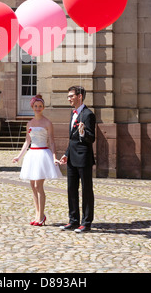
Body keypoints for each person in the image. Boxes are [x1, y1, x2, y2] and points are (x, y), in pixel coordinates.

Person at [12, 94, 62, 226]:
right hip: (32, 155)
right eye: (36, 106)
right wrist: (19, 156)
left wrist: (54, 157)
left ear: (43, 107)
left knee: (38, 186)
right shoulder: (29, 123)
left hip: (42, 154)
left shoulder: (47, 123)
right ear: (32, 107)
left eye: (40, 106)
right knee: (32, 186)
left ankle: (41, 216)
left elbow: (51, 141)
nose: (38, 108)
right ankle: (37, 214)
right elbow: (27, 142)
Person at [60, 86, 96, 233]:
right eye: (68, 96)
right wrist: (66, 153)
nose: (69, 98)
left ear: (79, 96)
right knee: (71, 189)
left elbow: (91, 138)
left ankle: (86, 222)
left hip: (84, 158)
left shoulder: (88, 114)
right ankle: (73, 220)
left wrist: (83, 132)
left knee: (86, 190)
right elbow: (72, 138)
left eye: (71, 96)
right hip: (72, 158)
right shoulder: (72, 113)